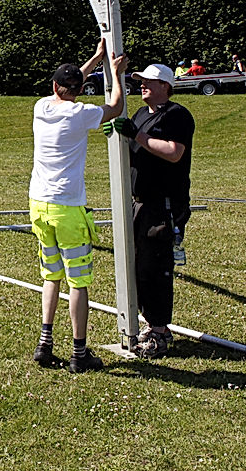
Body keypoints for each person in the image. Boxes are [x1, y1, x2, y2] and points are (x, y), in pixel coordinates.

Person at [29, 38, 129, 373]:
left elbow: (69, 86)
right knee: (79, 282)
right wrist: (114, 73)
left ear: (54, 86)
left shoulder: (42, 106)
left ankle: (45, 342)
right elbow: (114, 107)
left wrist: (94, 59)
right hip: (68, 208)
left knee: (51, 276)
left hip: (39, 205)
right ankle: (79, 352)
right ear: (79, 89)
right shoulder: (82, 113)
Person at [102, 63, 195, 359]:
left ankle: (158, 331)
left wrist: (137, 136)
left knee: (155, 266)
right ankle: (149, 324)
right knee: (138, 265)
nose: (142, 86)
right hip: (139, 200)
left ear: (165, 86)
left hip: (163, 203)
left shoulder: (176, 115)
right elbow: (138, 150)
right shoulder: (142, 114)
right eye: (140, 81)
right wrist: (118, 137)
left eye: (149, 82)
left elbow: (174, 152)